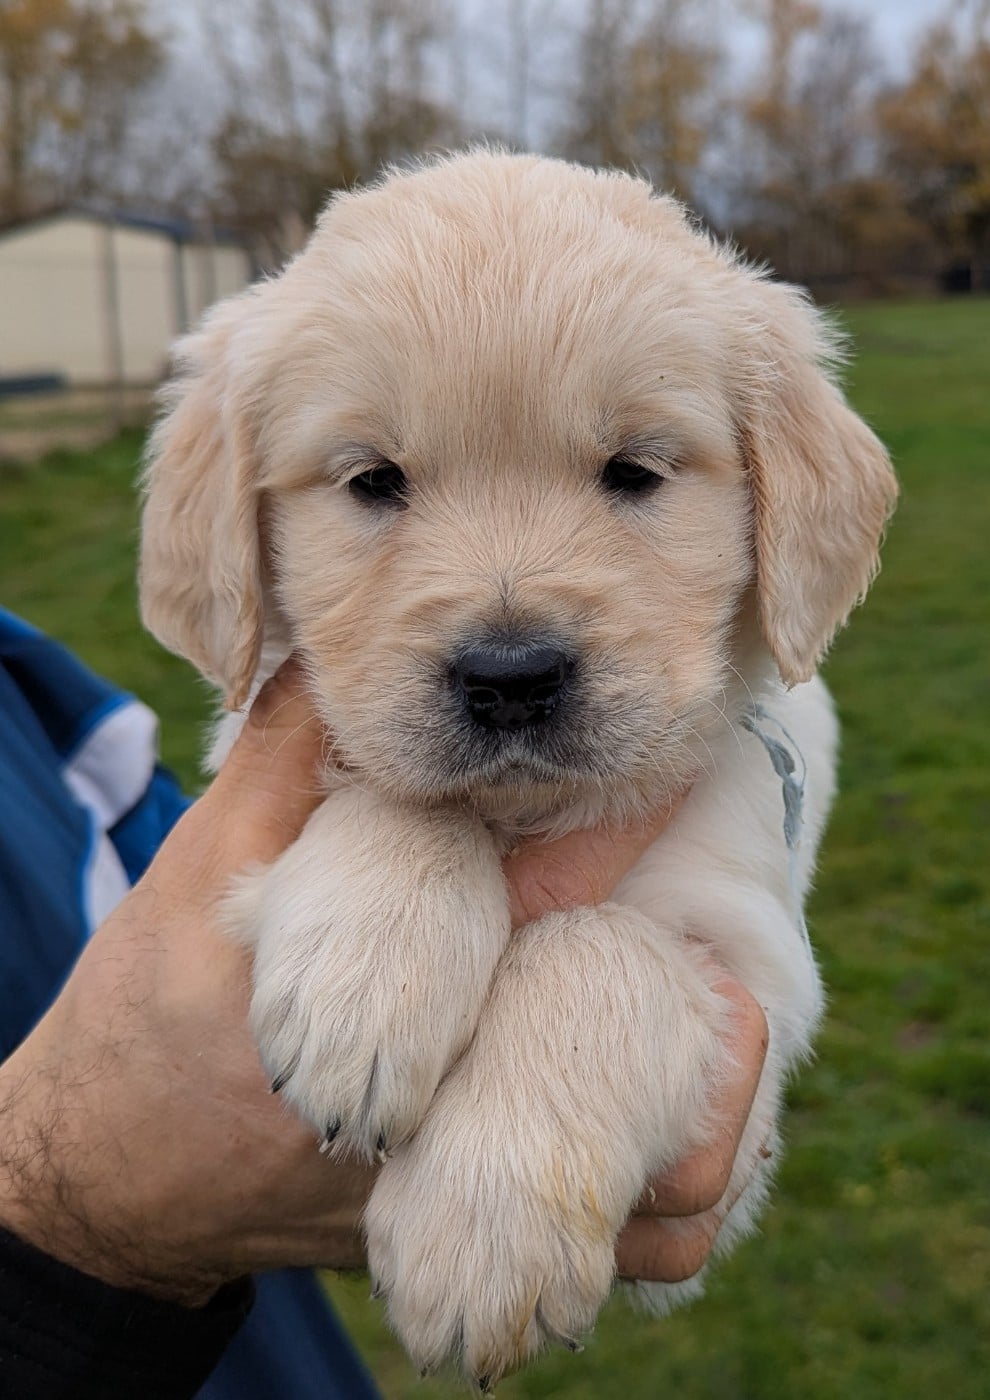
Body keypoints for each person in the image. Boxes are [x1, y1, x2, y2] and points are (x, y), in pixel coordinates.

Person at [0, 611, 768, 1398]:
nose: (507, 641)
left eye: (632, 476)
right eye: (378, 482)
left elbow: (185, 883)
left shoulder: (23, 684)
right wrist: (71, 1222)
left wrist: (588, 1021)